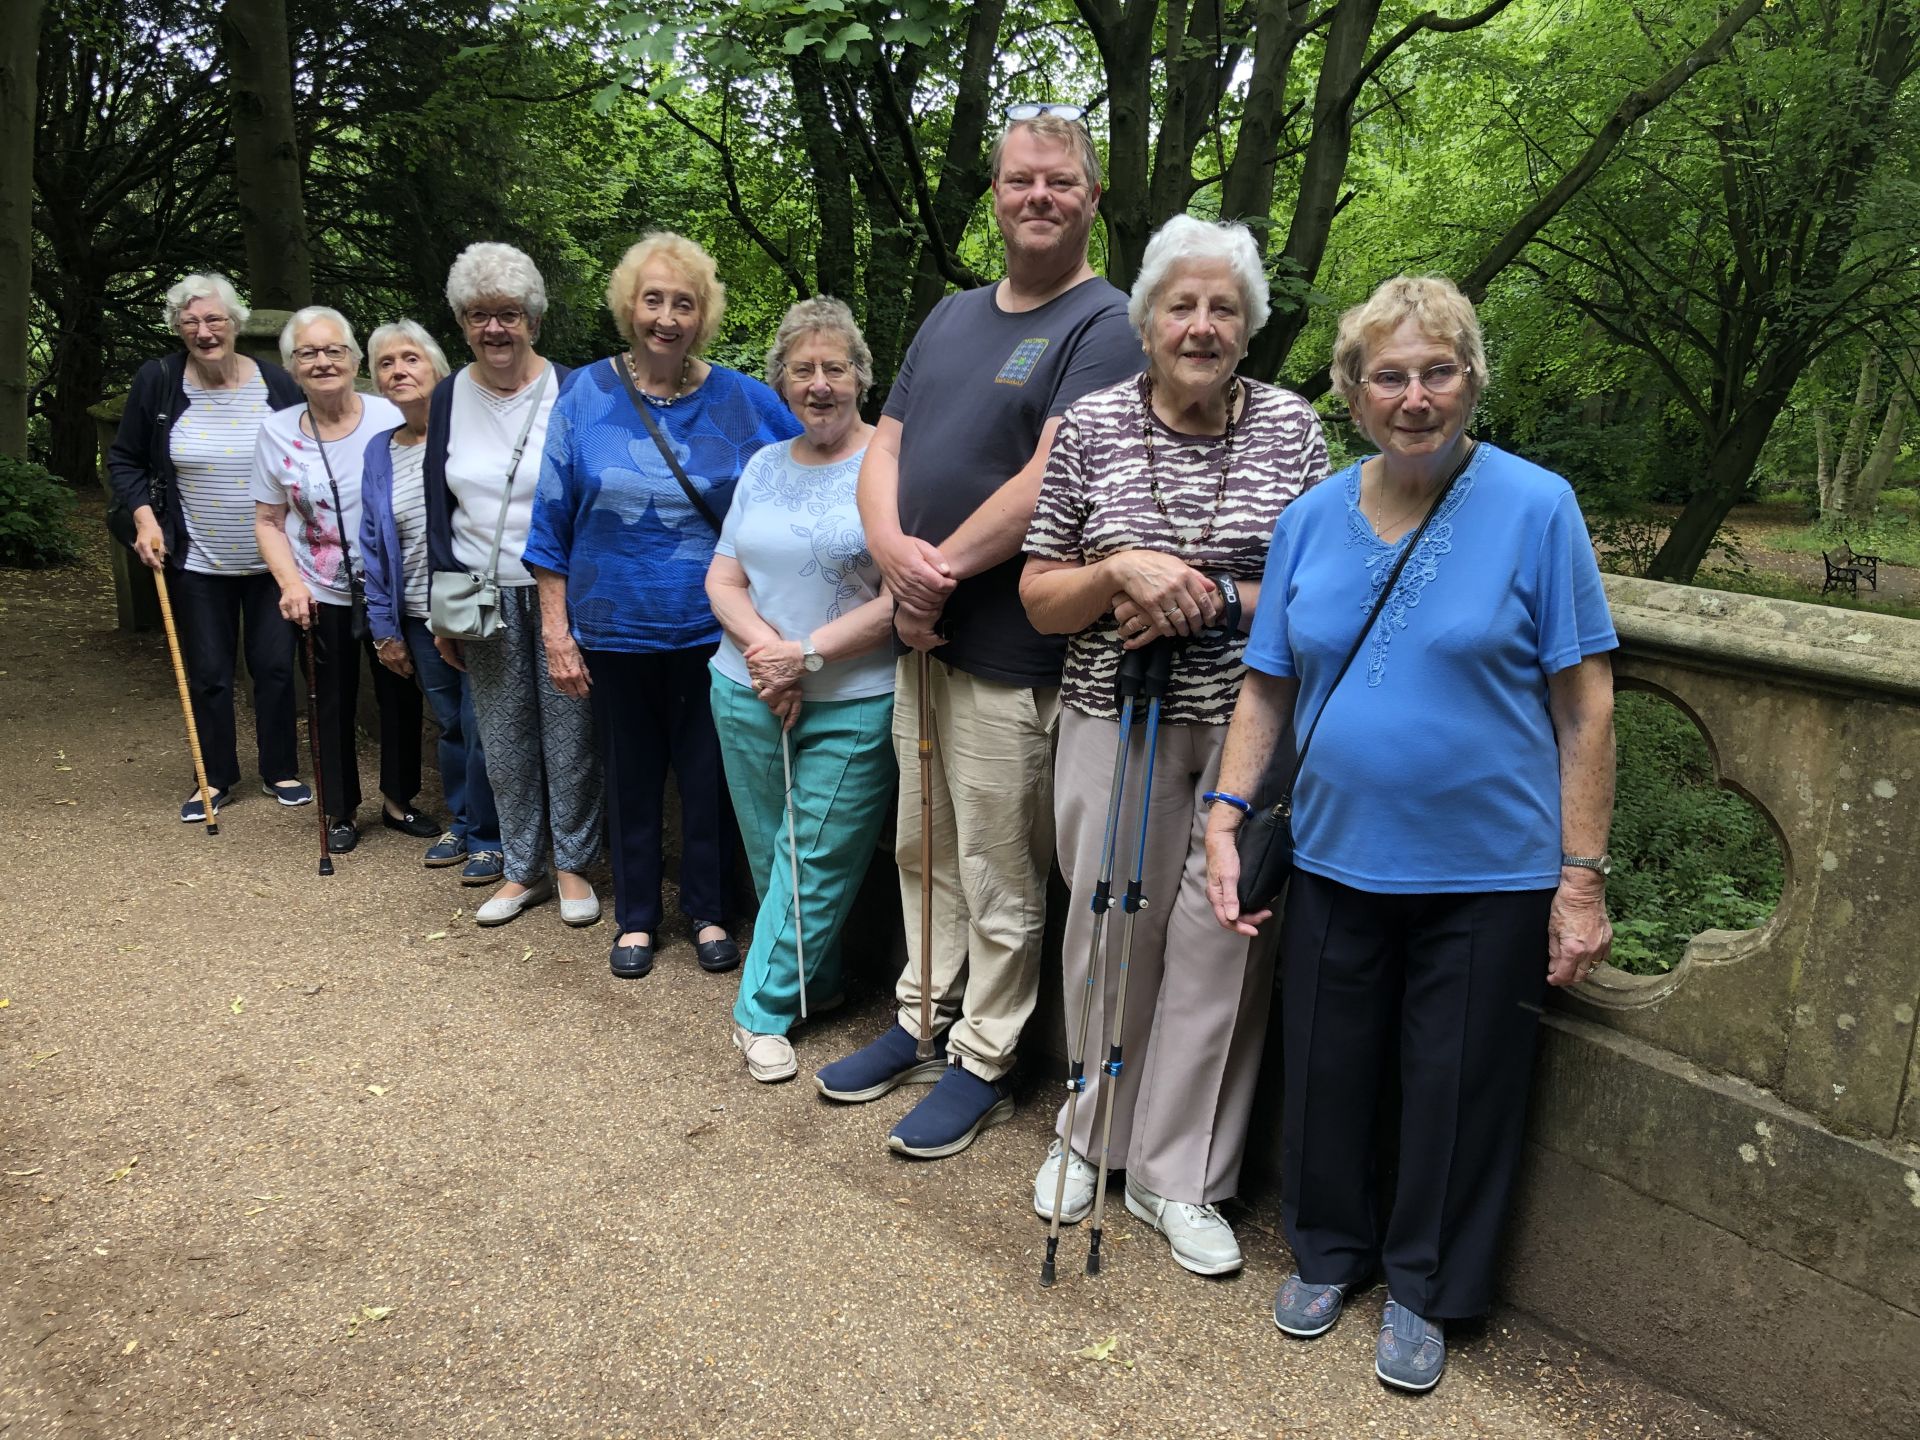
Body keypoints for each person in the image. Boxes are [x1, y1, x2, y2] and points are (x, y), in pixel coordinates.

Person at [1203, 274, 1617, 1392]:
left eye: (1438, 371)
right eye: (1390, 375)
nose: (1416, 395)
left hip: (1492, 868)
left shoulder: (1537, 507)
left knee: (1459, 1085)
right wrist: (1225, 814)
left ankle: (1428, 1289)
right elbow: (1268, 690)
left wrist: (1580, 878)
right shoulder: (1309, 518)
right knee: (1328, 1066)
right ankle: (1329, 1251)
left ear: (1472, 380)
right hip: (1336, 852)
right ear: (1353, 392)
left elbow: (1586, 705)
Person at [815, 110, 1143, 1158]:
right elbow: (885, 445)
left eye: (1059, 181)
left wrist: (934, 570)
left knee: (1001, 866)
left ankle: (986, 1056)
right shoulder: (952, 316)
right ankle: (919, 1018)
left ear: (1091, 198)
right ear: (994, 196)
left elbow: (1054, 474)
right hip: (926, 639)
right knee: (922, 844)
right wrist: (894, 558)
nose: (1037, 197)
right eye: (1018, 181)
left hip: (1011, 649)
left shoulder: (1109, 324)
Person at [1019, 215, 1327, 1274]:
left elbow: (1314, 595)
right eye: (1182, 305)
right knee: (1109, 929)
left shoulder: (1293, 431)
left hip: (1252, 728)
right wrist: (1116, 577)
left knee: (1223, 943)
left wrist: (1204, 598)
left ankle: (1178, 1173)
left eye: (1224, 308)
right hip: (1116, 715)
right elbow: (1041, 596)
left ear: (1250, 328)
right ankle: (1087, 1134)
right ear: (1146, 321)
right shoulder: (1092, 427)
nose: (1201, 325)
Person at [526, 231, 801, 977]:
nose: (667, 317)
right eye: (654, 300)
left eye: (684, 303)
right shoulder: (586, 394)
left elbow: (815, 463)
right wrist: (557, 631)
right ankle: (639, 917)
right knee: (631, 774)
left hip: (713, 632)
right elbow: (548, 521)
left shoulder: (745, 402)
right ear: (629, 306)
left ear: (703, 314)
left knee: (709, 776)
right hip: (613, 631)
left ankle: (710, 911)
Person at [706, 298, 896, 1082]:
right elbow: (723, 576)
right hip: (744, 685)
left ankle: (758, 1012)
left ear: (861, 375)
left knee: (811, 858)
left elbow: (901, 596)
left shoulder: (891, 460)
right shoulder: (763, 464)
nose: (819, 384)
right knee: (769, 856)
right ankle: (813, 985)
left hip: (854, 695)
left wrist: (805, 657)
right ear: (782, 380)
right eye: (802, 369)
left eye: (835, 367)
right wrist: (768, 654)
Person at [424, 242, 592, 915]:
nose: (494, 328)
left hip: (561, 595)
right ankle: (524, 869)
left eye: (508, 314)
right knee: (503, 736)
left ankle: (576, 865)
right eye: (478, 315)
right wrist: (441, 606)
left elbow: (589, 495)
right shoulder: (446, 398)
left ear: (533, 320)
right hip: (480, 594)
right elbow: (440, 504)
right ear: (462, 323)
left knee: (572, 735)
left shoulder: (573, 389)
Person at [107, 272, 308, 821]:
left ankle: (280, 769)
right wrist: (145, 520)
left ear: (235, 324)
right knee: (210, 672)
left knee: (273, 667)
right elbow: (124, 459)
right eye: (191, 321)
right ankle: (213, 776)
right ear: (178, 328)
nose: (204, 330)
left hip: (274, 563)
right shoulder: (159, 381)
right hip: (197, 560)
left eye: (214, 318)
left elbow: (308, 454)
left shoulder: (276, 385)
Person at [250, 306, 429, 854]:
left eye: (334, 350)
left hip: (386, 587)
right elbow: (268, 520)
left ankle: (400, 800)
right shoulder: (277, 431)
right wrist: (289, 584)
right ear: (291, 367)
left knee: (399, 693)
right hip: (319, 586)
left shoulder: (386, 416)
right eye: (308, 353)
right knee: (331, 699)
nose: (323, 361)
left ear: (355, 360)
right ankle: (340, 810)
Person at [359, 320, 503, 877]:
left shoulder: (470, 432)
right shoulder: (379, 450)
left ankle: (491, 835)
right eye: (387, 364)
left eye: (411, 358)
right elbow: (373, 541)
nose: (399, 371)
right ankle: (464, 824)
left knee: (486, 724)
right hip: (420, 615)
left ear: (439, 369)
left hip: (478, 605)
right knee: (451, 725)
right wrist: (383, 627)